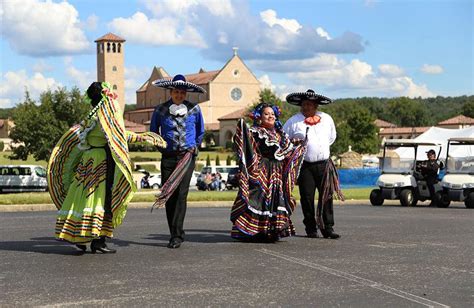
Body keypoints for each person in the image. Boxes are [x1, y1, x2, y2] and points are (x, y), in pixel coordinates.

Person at [48, 82, 166, 253]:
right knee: (101, 199)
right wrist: (144, 137)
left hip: (88, 158)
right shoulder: (104, 118)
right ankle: (98, 241)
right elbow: (118, 136)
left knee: (82, 197)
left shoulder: (90, 117)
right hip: (102, 160)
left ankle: (78, 236)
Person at [230, 103, 307, 242]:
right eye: (266, 114)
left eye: (272, 114)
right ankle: (255, 231)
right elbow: (247, 146)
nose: (270, 116)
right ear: (259, 117)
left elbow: (287, 150)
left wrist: (299, 144)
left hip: (277, 172)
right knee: (259, 198)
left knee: (276, 199)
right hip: (263, 170)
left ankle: (271, 231)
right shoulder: (256, 132)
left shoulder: (281, 134)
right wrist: (242, 128)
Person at [150, 74, 205, 249]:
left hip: (186, 157)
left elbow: (200, 131)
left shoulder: (195, 109)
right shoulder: (160, 109)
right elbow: (153, 132)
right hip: (168, 157)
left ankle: (176, 235)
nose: (179, 95)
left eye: (182, 92)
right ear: (171, 92)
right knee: (169, 194)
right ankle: (175, 231)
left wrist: (194, 147)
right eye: (176, 92)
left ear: (185, 93)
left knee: (181, 195)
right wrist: (161, 148)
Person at [283, 89, 343, 239]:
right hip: (305, 166)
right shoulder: (293, 122)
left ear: (316, 106)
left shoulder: (327, 118)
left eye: (309, 104)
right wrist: (293, 144)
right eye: (304, 104)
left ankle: (328, 227)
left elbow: (331, 138)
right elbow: (283, 139)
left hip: (324, 164)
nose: (306, 107)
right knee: (307, 197)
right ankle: (311, 228)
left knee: (326, 196)